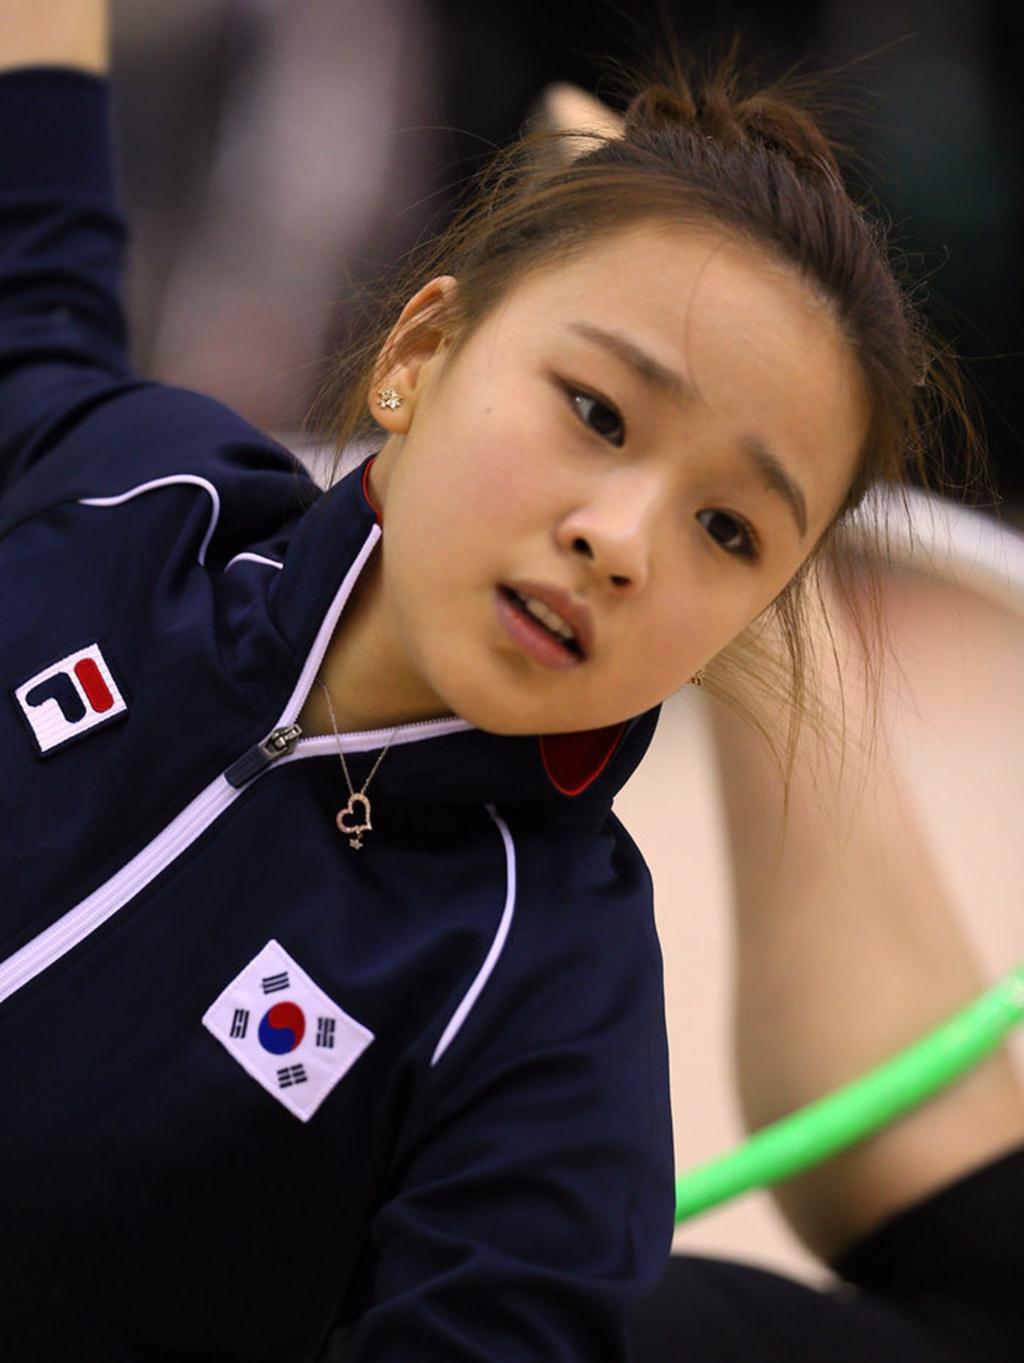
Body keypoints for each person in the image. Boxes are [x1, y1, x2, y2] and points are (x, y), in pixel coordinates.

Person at [0, 4, 1019, 1362]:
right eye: (596, 410)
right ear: (417, 354)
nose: (620, 540)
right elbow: (35, 254)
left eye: (729, 530)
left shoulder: (549, 1013)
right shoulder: (143, 487)